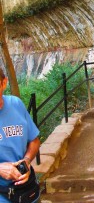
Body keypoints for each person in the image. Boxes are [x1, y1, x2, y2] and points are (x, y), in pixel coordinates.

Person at [0, 68, 40, 203]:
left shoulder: (16, 104)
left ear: (3, 83)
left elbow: (34, 140)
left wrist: (27, 161)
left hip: (27, 191)